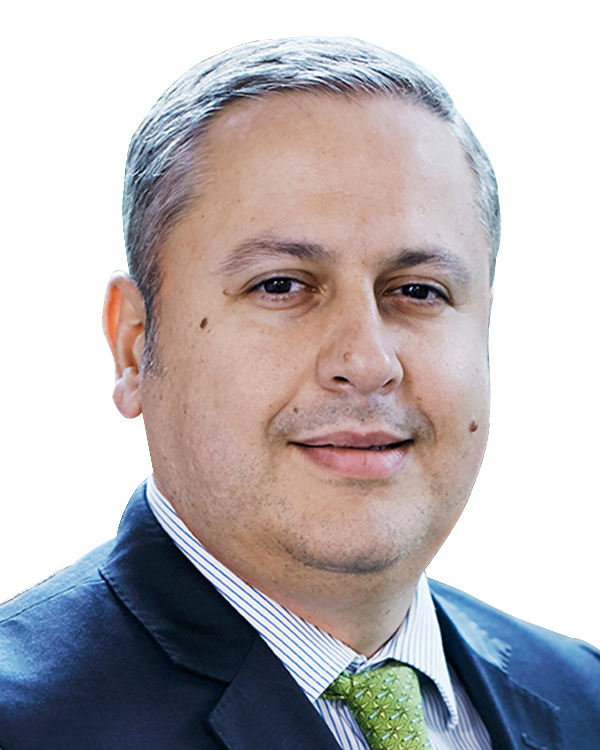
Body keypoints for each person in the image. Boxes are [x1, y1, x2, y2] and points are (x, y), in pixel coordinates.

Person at [0, 36, 598, 750]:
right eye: (281, 284)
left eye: (418, 291)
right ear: (134, 344)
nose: (367, 362)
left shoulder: (585, 700)